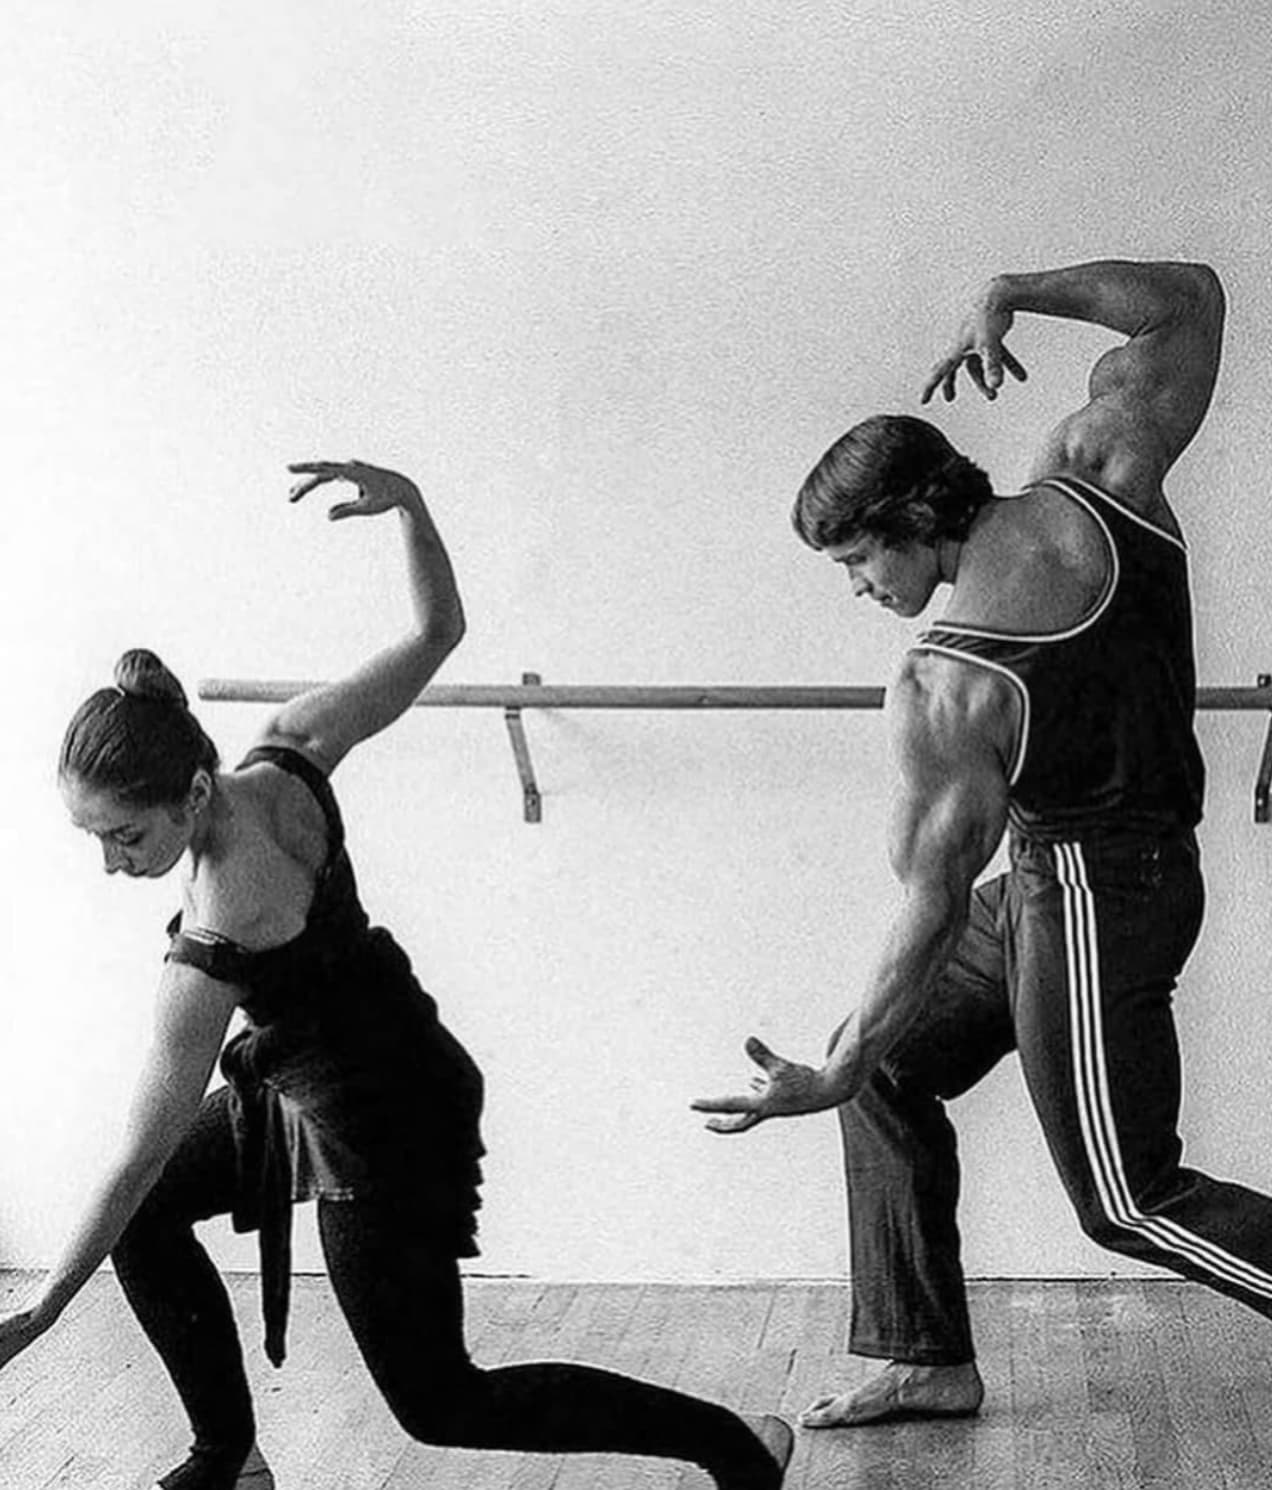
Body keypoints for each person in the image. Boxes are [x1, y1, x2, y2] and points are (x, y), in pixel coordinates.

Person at [0, 460, 793, 1490]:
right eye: (93, 838)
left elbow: (143, 1140)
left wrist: (47, 1302)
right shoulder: (288, 751)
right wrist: (413, 503)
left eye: (125, 833)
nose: (111, 861)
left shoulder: (219, 920)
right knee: (149, 1223)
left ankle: (738, 1444)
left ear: (192, 791)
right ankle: (230, 1457)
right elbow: (435, 634)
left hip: (386, 1119)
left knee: (441, 1401)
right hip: (330, 1069)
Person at [693, 259, 1272, 1428]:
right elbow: (1191, 303)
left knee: (1127, 1194)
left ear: (911, 521)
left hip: (1093, 901)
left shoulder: (948, 682)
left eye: (860, 561)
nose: (859, 586)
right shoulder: (1104, 470)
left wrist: (834, 1058)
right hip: (1093, 877)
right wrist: (1019, 287)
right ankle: (924, 1354)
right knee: (893, 1064)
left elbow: (929, 899)